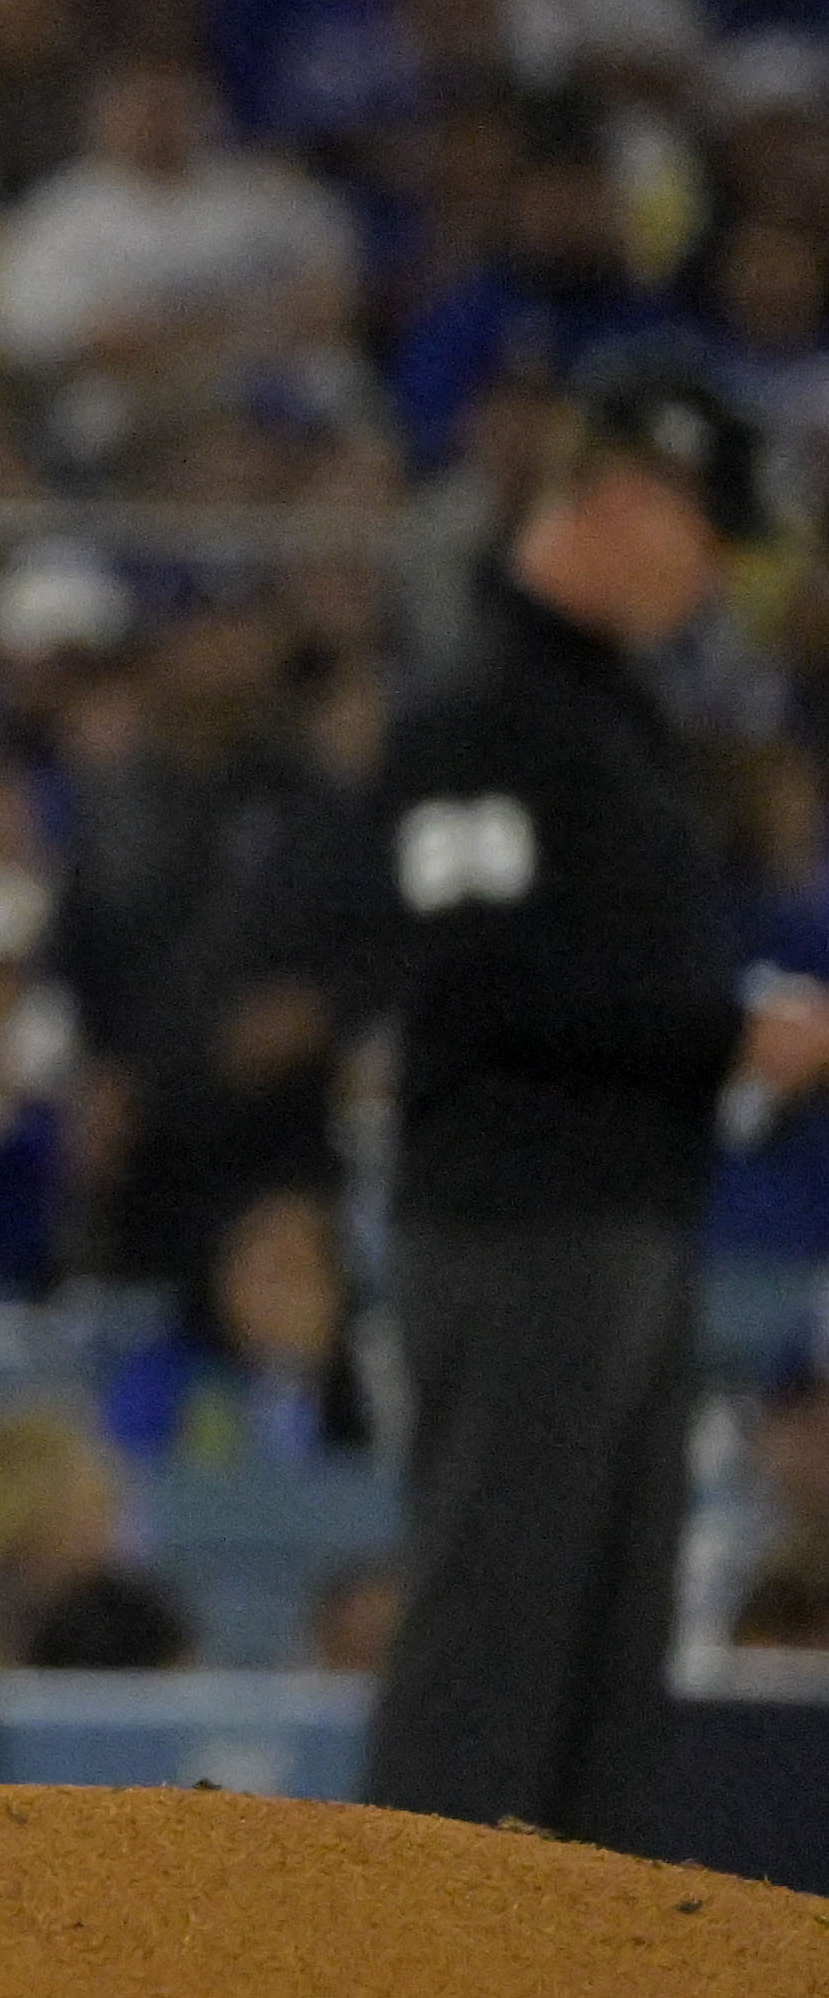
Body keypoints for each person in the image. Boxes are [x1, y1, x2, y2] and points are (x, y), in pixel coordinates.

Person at [365, 344, 829, 1846]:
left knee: (605, 1661)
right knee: (490, 1630)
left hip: (630, 1214)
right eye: (704, 535)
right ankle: (406, 1948)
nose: (712, 579)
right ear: (625, 499)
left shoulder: (616, 726)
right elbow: (470, 982)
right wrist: (722, 1038)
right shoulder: (478, 712)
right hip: (516, 1224)